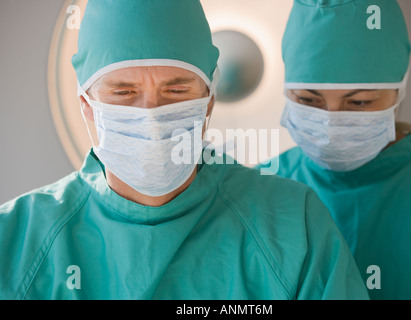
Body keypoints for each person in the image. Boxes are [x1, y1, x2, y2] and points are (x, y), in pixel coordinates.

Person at [0, 0, 369, 300]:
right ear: (86, 105)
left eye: (176, 93)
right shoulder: (17, 238)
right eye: (123, 92)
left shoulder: (291, 224)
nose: (151, 116)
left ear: (208, 102)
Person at [258, 0, 411, 299]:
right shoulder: (258, 191)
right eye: (309, 100)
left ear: (399, 91)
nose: (331, 123)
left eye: (359, 102)